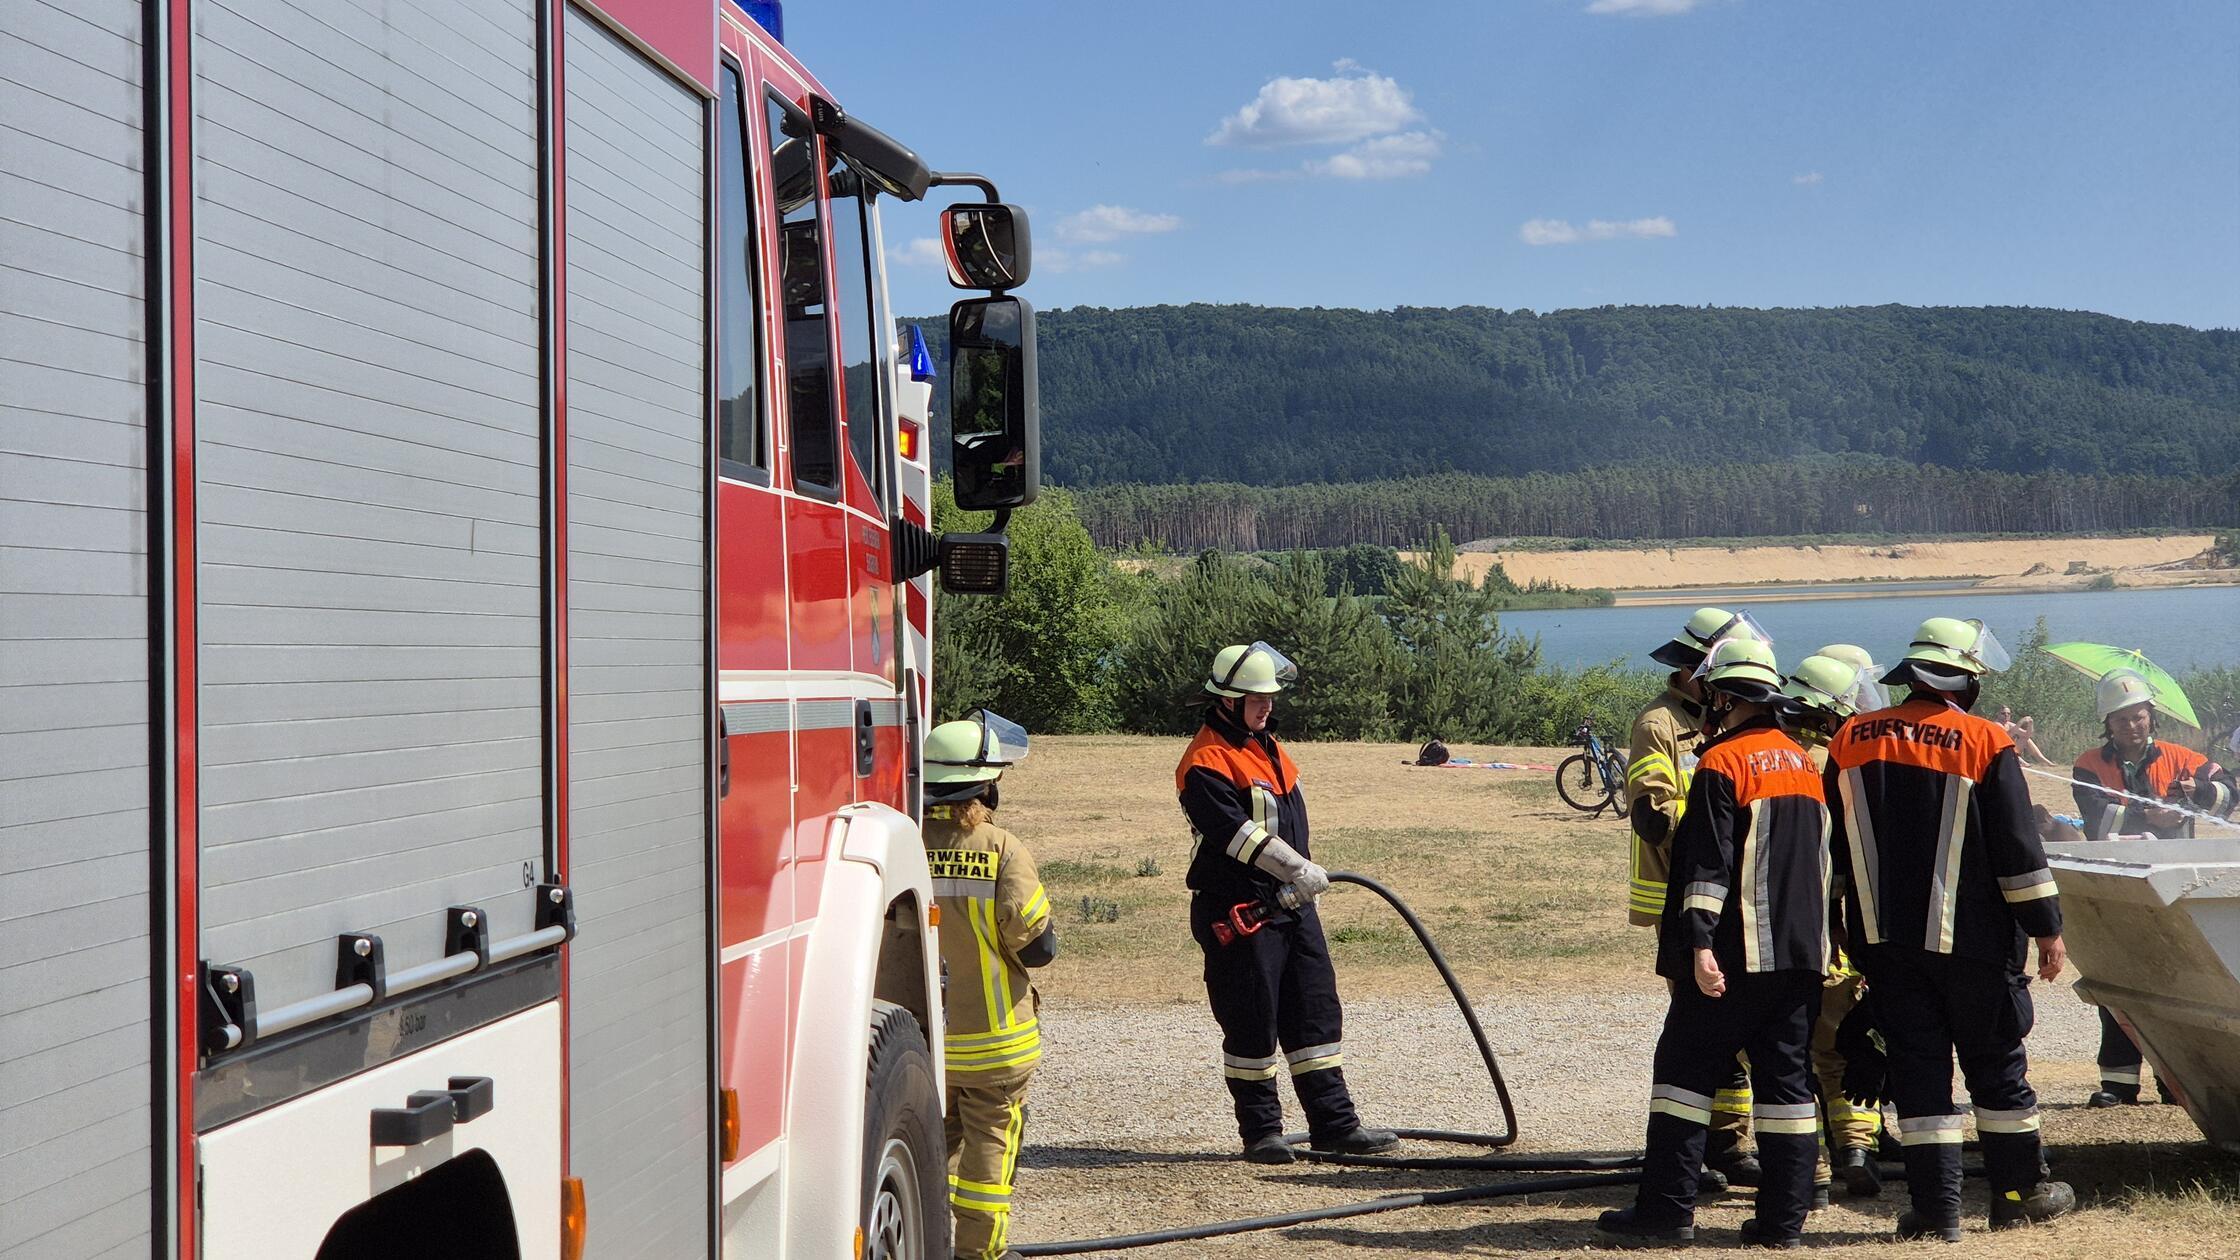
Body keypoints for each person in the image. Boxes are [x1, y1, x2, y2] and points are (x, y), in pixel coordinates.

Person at [1827, 616, 2074, 1240]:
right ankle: (2018, 1194)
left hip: (1884, 944)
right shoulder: (1985, 742)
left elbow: (1831, 848)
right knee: (1995, 1066)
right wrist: (2046, 928)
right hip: (1975, 944)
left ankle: (1936, 1212)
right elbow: (2018, 847)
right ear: (1964, 680)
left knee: (1917, 1069)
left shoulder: (1849, 739)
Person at [1597, 638, 1831, 1248]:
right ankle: (1783, 1224)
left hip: (1731, 959)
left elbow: (1708, 866)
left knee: (1681, 1077)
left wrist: (1699, 946)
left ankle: (1665, 1214)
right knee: (1787, 1088)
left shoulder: (1722, 764)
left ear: (1724, 697)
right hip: (1801, 958)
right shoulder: (1806, 764)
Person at [1177, 642, 1398, 1163]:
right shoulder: (1206, 760)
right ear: (1227, 701)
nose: (1267, 705)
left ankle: (1335, 1125)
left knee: (1315, 1012)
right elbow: (1234, 833)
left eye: (1270, 697)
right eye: (1256, 697)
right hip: (1241, 911)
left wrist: (1298, 882)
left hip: (1291, 906)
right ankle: (1262, 1133)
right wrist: (1298, 869)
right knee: (1252, 1019)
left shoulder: (1266, 746)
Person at [1629, 607, 1766, 1184]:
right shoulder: (1660, 725)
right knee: (1702, 1021)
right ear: (1700, 669)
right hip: (1684, 896)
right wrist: (1719, 829)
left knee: (1741, 1021)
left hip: (1741, 898)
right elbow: (1652, 814)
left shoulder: (1727, 722)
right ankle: (1708, 1149)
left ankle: (1731, 1146)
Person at [922, 711, 1058, 1260]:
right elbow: (1037, 948)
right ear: (984, 785)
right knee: (988, 1155)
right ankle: (981, 1253)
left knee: (931, 1145)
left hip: (924, 1041)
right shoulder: (1000, 849)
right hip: (995, 1043)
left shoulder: (899, 840)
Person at [2070, 668, 2223, 1107]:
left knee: (2175, 985)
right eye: (2121, 719)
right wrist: (2151, 818)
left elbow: (2228, 789)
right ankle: (2118, 1084)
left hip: (2170, 884)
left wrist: (2198, 792)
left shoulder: (2182, 757)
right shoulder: (2088, 763)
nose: (2131, 726)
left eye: (2138, 717)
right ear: (2108, 724)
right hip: (2117, 882)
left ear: (2151, 717)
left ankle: (2173, 1080)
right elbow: (2094, 813)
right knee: (2116, 978)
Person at [1780, 646, 1889, 1201]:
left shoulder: (1770, 755)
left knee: (1782, 1053)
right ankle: (1853, 1147)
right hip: (1830, 929)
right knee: (1837, 1045)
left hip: (1769, 931)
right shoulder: (1836, 763)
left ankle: (1811, 1171)